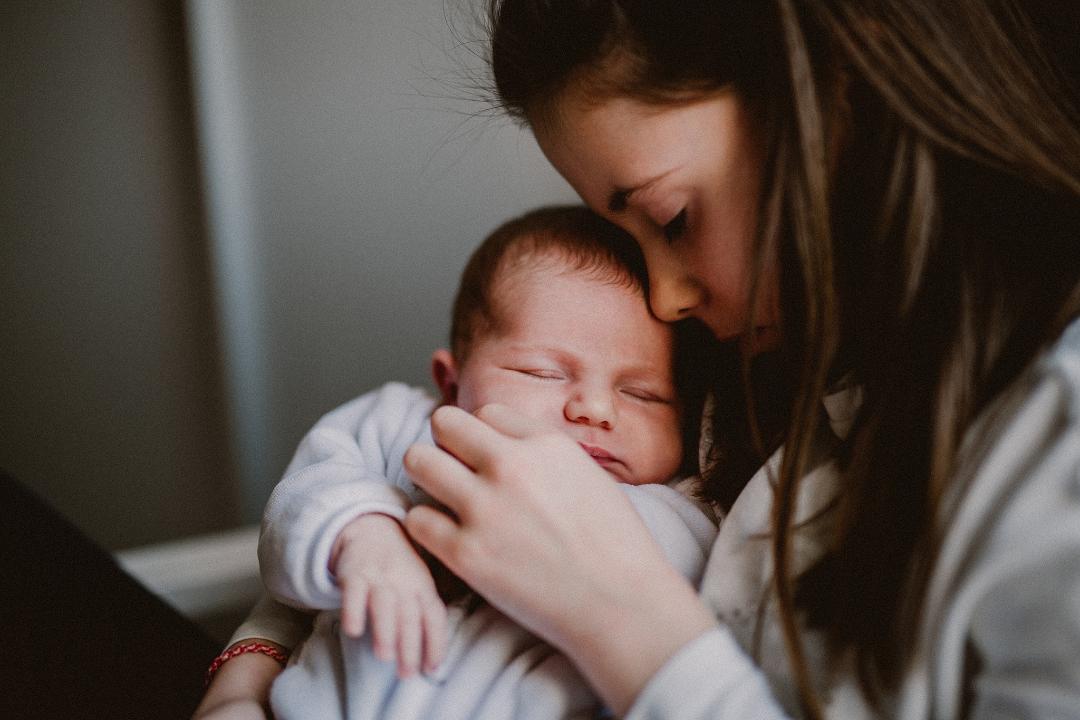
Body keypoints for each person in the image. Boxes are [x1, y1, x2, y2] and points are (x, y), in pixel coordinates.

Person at [198, 1, 1080, 718]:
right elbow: (356, 492)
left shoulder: (1050, 455)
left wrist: (621, 618)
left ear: (834, 89)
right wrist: (251, 665)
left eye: (670, 221)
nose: (663, 302)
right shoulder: (762, 363)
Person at [196, 205, 717, 720]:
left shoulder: (682, 507)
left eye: (644, 394)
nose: (597, 410)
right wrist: (364, 535)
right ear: (450, 384)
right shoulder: (395, 422)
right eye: (541, 372)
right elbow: (298, 502)